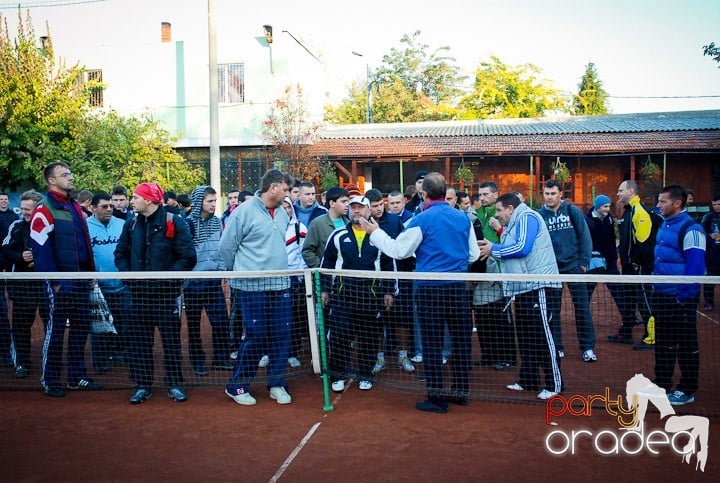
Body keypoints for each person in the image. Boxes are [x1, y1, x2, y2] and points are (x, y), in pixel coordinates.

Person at [359, 172, 480, 414]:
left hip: (430, 289)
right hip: (457, 288)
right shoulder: (462, 218)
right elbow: (474, 255)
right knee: (461, 341)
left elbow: (399, 251)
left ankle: (437, 398)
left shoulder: (421, 220)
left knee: (432, 343)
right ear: (445, 192)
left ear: (423, 193)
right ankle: (460, 392)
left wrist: (375, 233)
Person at [115, 182, 197, 404]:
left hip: (166, 295)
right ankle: (142, 384)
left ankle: (174, 383)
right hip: (138, 295)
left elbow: (188, 256)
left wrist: (168, 278)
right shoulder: (131, 223)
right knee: (140, 342)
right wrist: (129, 277)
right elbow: (120, 253)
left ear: (149, 200)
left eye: (135, 197)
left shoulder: (175, 222)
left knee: (171, 341)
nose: (132, 201)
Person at [220, 168, 295, 406]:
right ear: (273, 187)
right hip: (251, 287)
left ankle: (276, 383)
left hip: (280, 284)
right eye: (285, 189)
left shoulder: (283, 213)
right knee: (255, 336)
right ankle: (237, 385)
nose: (287, 194)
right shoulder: (243, 212)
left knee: (281, 335)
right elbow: (226, 247)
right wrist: (237, 274)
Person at [477, 193, 563, 401]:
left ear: (510, 209)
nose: (497, 214)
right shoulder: (514, 223)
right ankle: (528, 379)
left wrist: (494, 248)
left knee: (543, 336)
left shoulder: (528, 218)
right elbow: (512, 242)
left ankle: (555, 383)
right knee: (526, 337)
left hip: (539, 286)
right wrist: (496, 237)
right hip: (522, 288)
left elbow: (522, 247)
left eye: (499, 210)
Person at [30, 162, 101, 397]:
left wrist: (90, 272)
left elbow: (84, 244)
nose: (70, 178)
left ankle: (76, 376)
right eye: (65, 175)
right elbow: (41, 249)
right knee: (56, 332)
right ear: (52, 180)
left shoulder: (74, 206)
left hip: (81, 280)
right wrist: (55, 281)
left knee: (81, 330)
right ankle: (50, 379)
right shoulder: (44, 209)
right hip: (60, 284)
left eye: (70, 173)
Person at [322, 195, 395, 392]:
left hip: (370, 299)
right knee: (339, 337)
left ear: (369, 211)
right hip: (342, 298)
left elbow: (389, 265)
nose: (356, 211)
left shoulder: (380, 236)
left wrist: (389, 291)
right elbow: (326, 264)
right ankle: (338, 375)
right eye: (353, 207)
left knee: (369, 338)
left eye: (361, 208)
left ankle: (365, 373)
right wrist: (324, 289)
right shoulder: (337, 236)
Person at [651, 185, 705, 405]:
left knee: (686, 343)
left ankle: (687, 388)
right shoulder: (664, 224)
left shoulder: (692, 229)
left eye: (662, 201)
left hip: (680, 298)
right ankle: (662, 383)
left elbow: (696, 266)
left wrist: (683, 296)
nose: (658, 205)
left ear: (677, 204)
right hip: (662, 294)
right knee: (663, 342)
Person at [538, 179, 597, 362]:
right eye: (547, 193)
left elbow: (584, 237)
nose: (549, 197)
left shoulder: (572, 211)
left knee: (582, 308)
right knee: (553, 309)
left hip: (574, 267)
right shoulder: (540, 215)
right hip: (552, 269)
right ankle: (557, 346)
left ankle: (587, 347)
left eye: (553, 193)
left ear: (560, 194)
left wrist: (584, 262)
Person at [364, 188, 415, 374]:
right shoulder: (361, 223)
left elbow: (404, 249)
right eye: (374, 206)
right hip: (372, 284)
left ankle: (403, 356)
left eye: (380, 205)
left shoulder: (394, 221)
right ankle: (379, 357)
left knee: (402, 320)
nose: (379, 209)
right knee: (376, 323)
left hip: (399, 280)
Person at [184, 185, 232, 376]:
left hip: (213, 281)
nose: (213, 205)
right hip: (193, 282)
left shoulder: (217, 223)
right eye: (209, 201)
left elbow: (221, 249)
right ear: (199, 203)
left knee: (221, 321)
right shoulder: (186, 224)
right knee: (194, 325)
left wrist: (221, 271)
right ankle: (197, 360)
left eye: (214, 201)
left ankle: (220, 358)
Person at [611, 179, 663, 349]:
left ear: (631, 192)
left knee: (644, 301)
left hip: (639, 269)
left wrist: (636, 264)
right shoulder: (629, 211)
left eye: (621, 190)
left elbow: (643, 243)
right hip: (628, 268)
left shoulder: (639, 212)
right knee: (629, 300)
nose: (618, 194)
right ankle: (626, 332)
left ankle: (651, 338)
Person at [2, 190, 47, 378]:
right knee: (21, 326)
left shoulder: (48, 226)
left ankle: (50, 362)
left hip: (46, 284)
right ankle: (22, 363)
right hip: (22, 286)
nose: (24, 213)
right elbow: (4, 250)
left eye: (28, 209)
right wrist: (20, 256)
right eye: (22, 209)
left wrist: (40, 260)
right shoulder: (16, 225)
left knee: (51, 325)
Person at [472, 181, 516, 371]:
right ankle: (488, 355)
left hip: (499, 272)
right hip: (480, 269)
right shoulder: (477, 215)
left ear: (495, 194)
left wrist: (499, 228)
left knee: (500, 316)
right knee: (482, 316)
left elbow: (513, 241)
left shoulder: (503, 215)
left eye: (486, 194)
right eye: (480, 194)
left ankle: (508, 357)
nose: (482, 198)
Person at [87, 192, 133, 373]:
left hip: (122, 284)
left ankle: (123, 354)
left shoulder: (123, 225)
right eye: (104, 206)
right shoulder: (85, 227)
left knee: (126, 322)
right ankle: (100, 360)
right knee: (99, 325)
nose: (108, 209)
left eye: (110, 206)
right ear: (93, 208)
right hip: (98, 286)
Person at [584, 194, 627, 330]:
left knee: (618, 290)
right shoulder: (587, 220)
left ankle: (628, 318)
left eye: (609, 206)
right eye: (605, 206)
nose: (608, 209)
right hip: (594, 262)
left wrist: (614, 254)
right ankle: (583, 318)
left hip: (610, 261)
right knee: (587, 292)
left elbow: (612, 237)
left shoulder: (609, 219)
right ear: (597, 207)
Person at [281, 196, 308, 369]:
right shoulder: (269, 227)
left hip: (294, 279)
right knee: (274, 318)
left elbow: (303, 254)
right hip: (274, 278)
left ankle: (292, 352)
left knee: (294, 317)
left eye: (288, 207)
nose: (286, 211)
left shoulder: (300, 227)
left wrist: (301, 275)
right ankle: (270, 351)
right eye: (282, 207)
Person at [301, 186, 350, 269]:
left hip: (345, 276)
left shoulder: (349, 224)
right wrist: (320, 267)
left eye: (348, 201)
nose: (347, 205)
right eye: (343, 202)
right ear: (332, 203)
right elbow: (307, 251)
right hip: (325, 277)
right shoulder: (317, 224)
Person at [0, 191, 18, 367]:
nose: (4, 201)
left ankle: (6, 353)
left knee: (2, 315)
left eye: (6, 199)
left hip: (6, 264)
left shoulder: (13, 216)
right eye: (2, 199)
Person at [700, 194, 720, 311]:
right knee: (709, 281)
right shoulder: (708, 217)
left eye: (719, 204)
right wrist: (710, 236)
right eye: (714, 204)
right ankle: (708, 302)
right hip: (712, 254)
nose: (717, 207)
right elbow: (702, 234)